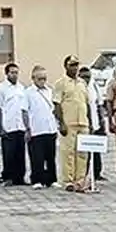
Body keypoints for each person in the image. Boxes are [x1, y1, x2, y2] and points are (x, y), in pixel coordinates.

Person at [52, 54, 91, 193]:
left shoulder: (82, 83)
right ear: (66, 67)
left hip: (83, 122)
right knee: (68, 153)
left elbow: (86, 103)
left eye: (76, 65)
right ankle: (68, 180)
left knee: (82, 153)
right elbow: (56, 105)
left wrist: (90, 122)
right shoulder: (61, 83)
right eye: (72, 65)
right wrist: (61, 123)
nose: (74, 68)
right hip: (69, 122)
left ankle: (80, 180)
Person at [25, 67, 59, 188]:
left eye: (44, 78)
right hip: (36, 129)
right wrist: (27, 129)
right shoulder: (28, 92)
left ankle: (52, 179)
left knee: (51, 156)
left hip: (50, 128)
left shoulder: (49, 91)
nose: (42, 81)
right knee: (37, 157)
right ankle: (37, 179)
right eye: (39, 78)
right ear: (33, 78)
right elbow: (24, 111)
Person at [0, 63, 28, 187]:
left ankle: (20, 178)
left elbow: (24, 108)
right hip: (8, 126)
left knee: (20, 153)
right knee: (8, 153)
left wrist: (26, 126)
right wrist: (1, 127)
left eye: (16, 72)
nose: (15, 75)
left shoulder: (21, 88)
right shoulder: (2, 88)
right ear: (7, 74)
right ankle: (8, 177)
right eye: (12, 72)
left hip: (20, 125)